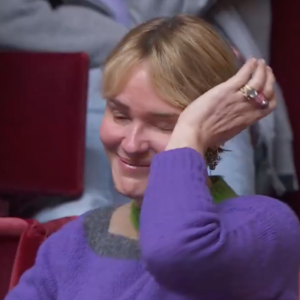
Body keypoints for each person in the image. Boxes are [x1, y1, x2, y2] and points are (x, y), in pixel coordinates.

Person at [5, 15, 300, 299]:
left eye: (166, 125)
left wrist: (190, 134)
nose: (131, 145)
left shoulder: (267, 227)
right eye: (120, 115)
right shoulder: (73, 242)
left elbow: (175, 253)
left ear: (217, 126)